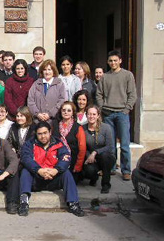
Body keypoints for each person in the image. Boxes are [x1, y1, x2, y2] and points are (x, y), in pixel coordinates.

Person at [19, 121, 84, 217]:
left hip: (53, 177)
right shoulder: (29, 144)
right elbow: (26, 158)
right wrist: (39, 170)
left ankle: (73, 203)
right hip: (36, 178)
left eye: (45, 133)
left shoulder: (58, 143)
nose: (43, 136)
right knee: (25, 172)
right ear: (36, 134)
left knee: (66, 173)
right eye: (40, 134)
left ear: (50, 132)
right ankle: (24, 203)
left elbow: (66, 158)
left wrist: (56, 170)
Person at [96, 50, 137, 181]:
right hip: (107, 113)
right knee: (110, 144)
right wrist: (102, 107)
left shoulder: (127, 75)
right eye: (110, 61)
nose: (113, 63)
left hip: (122, 114)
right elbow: (99, 94)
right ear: (108, 62)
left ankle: (126, 170)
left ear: (120, 60)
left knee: (124, 144)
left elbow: (132, 94)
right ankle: (111, 168)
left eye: (115, 60)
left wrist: (127, 109)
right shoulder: (105, 77)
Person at [83, 105, 116, 193]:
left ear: (98, 116)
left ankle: (105, 184)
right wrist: (88, 156)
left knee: (105, 157)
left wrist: (95, 152)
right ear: (86, 115)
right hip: (90, 157)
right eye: (89, 114)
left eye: (94, 114)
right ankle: (94, 177)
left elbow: (110, 146)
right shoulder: (83, 129)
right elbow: (82, 147)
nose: (91, 116)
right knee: (89, 171)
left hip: (106, 157)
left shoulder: (106, 128)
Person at [52, 102, 86, 182]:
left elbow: (82, 148)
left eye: (69, 110)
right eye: (63, 110)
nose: (66, 112)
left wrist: (78, 166)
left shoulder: (78, 127)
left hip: (72, 161)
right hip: (56, 159)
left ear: (73, 113)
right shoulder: (55, 125)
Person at [27, 59, 67, 124]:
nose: (47, 72)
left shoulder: (59, 84)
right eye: (45, 70)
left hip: (54, 121)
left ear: (53, 71)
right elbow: (30, 100)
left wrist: (50, 114)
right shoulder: (36, 84)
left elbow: (62, 100)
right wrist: (38, 114)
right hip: (37, 121)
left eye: (49, 69)